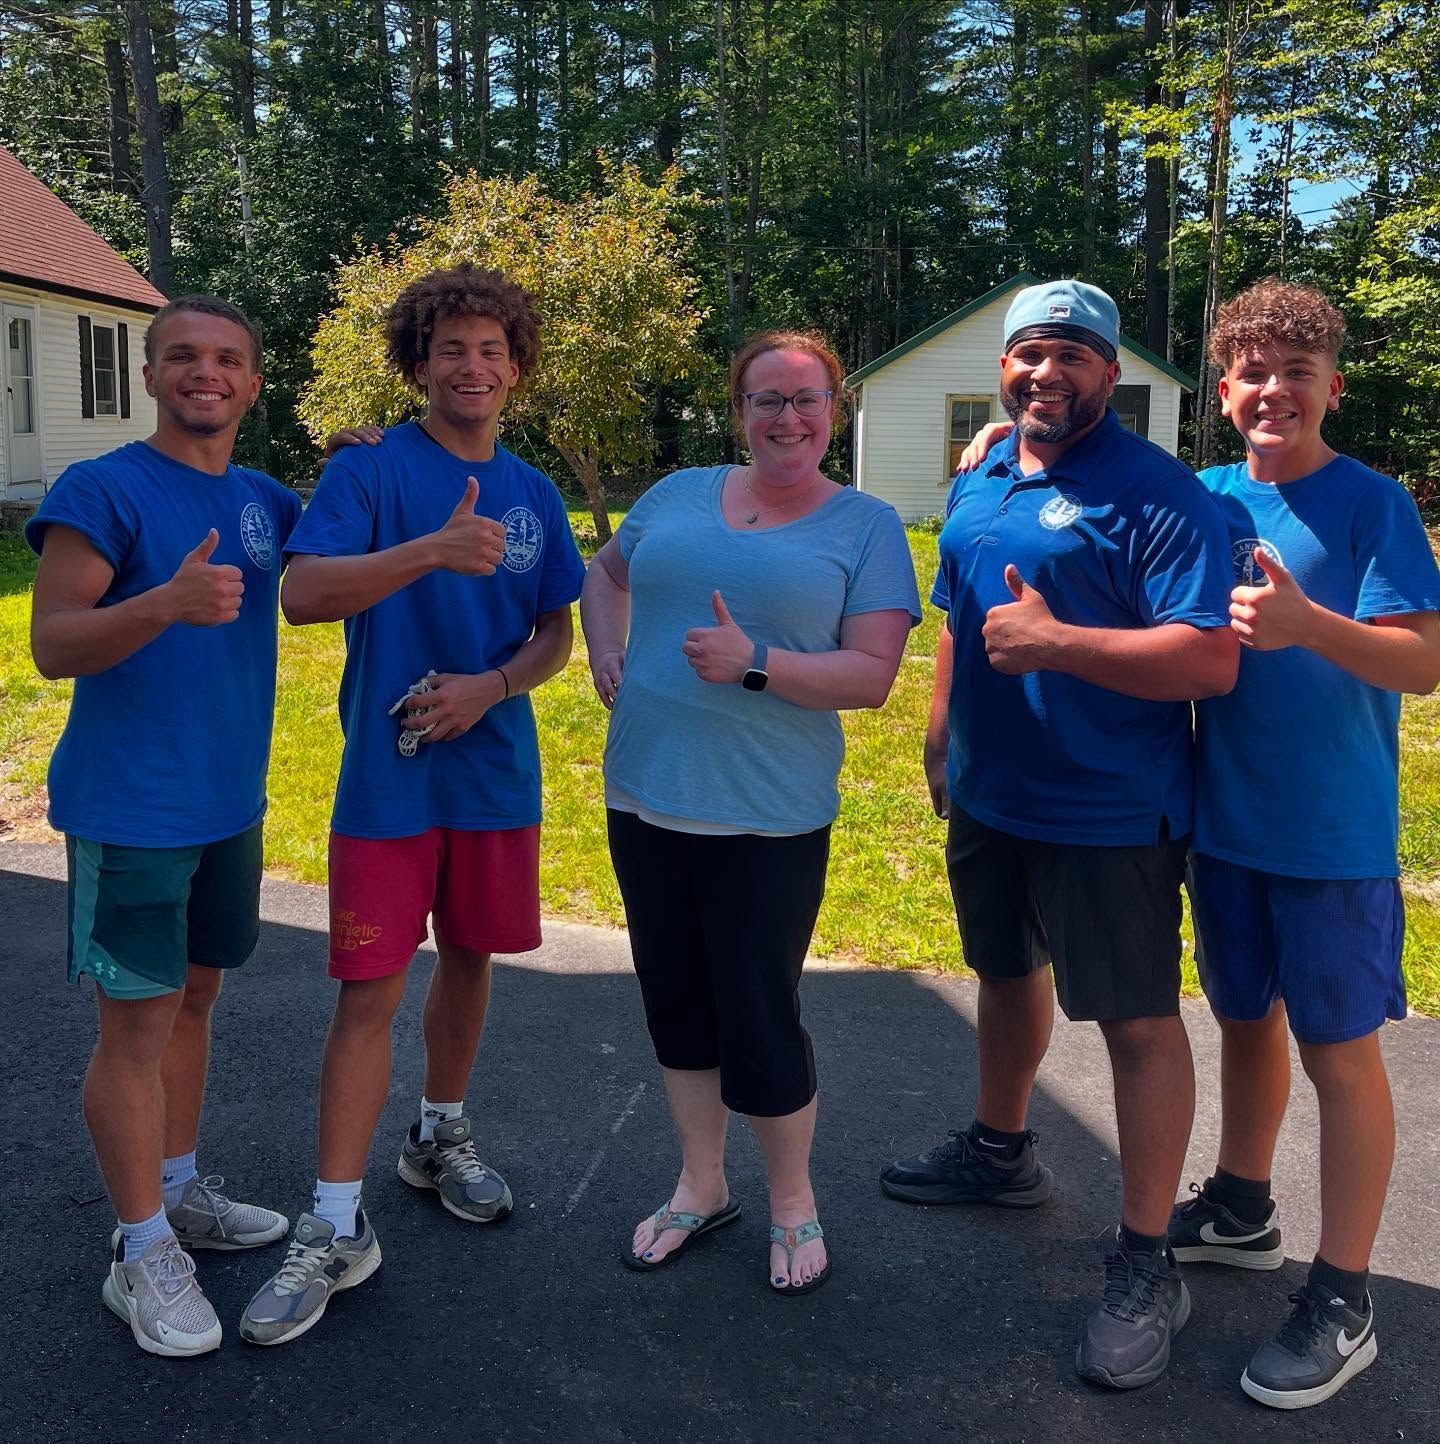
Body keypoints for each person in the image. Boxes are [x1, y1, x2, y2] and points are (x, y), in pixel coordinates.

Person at [880, 280, 1238, 1388]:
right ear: (1004, 364)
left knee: (1135, 1022)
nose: (1050, 372)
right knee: (1001, 971)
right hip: (995, 796)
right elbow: (958, 613)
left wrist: (1061, 643)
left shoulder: (1155, 491)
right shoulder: (984, 471)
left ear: (1110, 370)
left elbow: (1208, 659)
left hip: (1110, 812)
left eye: (1076, 355)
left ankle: (1145, 1262)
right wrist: (942, 739)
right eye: (1032, 352)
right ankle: (1002, 1149)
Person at [240, 264, 585, 1346]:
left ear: (515, 366)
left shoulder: (531, 492)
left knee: (473, 957)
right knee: (366, 991)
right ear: (420, 362)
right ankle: (336, 1221)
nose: (472, 366)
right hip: (387, 782)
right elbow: (301, 596)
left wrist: (494, 685)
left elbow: (554, 632)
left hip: (493, 776)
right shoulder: (375, 472)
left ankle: (438, 1136)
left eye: (492, 349)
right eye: (452, 349)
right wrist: (429, 549)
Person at [580, 330, 920, 1294]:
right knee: (676, 1005)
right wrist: (605, 647)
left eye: (807, 399)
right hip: (645, 797)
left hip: (767, 819)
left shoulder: (865, 525)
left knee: (760, 1015)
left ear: (834, 412)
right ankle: (699, 1186)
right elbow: (603, 576)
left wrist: (757, 665)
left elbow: (872, 675)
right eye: (767, 400)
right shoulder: (678, 494)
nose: (788, 418)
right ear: (739, 413)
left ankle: (790, 1201)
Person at [1165, 281, 1440, 1407]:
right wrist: (999, 451)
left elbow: (1420, 664)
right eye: (1251, 372)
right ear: (1224, 391)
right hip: (1223, 824)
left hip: (1332, 835)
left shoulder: (1375, 506)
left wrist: (1305, 624)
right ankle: (1241, 1202)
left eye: (1296, 371)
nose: (1273, 389)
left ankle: (1346, 1291)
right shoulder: (1204, 496)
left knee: (1339, 1053)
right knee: (1242, 1019)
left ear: (1331, 385)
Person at [26, 296, 299, 1358]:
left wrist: (374, 451)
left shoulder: (264, 498)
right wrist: (162, 604)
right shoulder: (103, 489)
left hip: (228, 802)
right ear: (149, 374)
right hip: (132, 807)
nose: (207, 372)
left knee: (195, 998)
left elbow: (341, 538)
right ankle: (138, 1250)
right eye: (184, 355)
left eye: (229, 358)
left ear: (253, 382)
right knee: (133, 1028)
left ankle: (178, 1191)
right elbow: (53, 643)